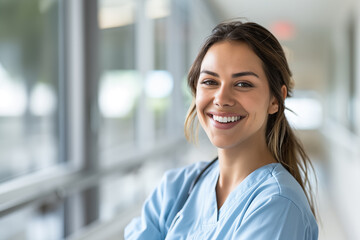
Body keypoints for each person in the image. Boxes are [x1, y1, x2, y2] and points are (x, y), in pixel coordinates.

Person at [125, 20, 318, 239]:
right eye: (210, 81)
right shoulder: (176, 188)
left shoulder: (278, 204)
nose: (222, 99)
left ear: (275, 99)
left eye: (243, 84)